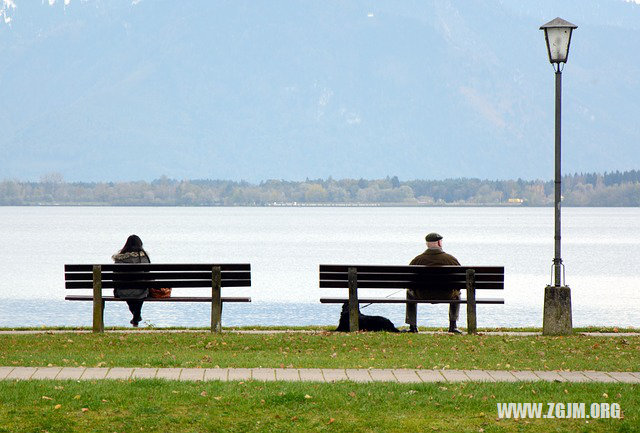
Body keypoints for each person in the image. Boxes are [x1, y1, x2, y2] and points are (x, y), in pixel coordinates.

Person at [406, 232, 462, 334]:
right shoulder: (451, 260)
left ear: (427, 244)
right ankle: (453, 326)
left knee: (409, 292)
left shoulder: (417, 260)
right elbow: (460, 281)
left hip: (422, 295)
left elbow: (409, 281)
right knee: (457, 294)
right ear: (440, 243)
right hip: (446, 295)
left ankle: (412, 326)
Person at [112, 234, 150, 327]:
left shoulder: (119, 259)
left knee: (128, 292)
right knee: (141, 292)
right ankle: (136, 316)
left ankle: (136, 316)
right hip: (141, 290)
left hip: (122, 291)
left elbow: (115, 277)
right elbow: (148, 275)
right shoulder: (144, 258)